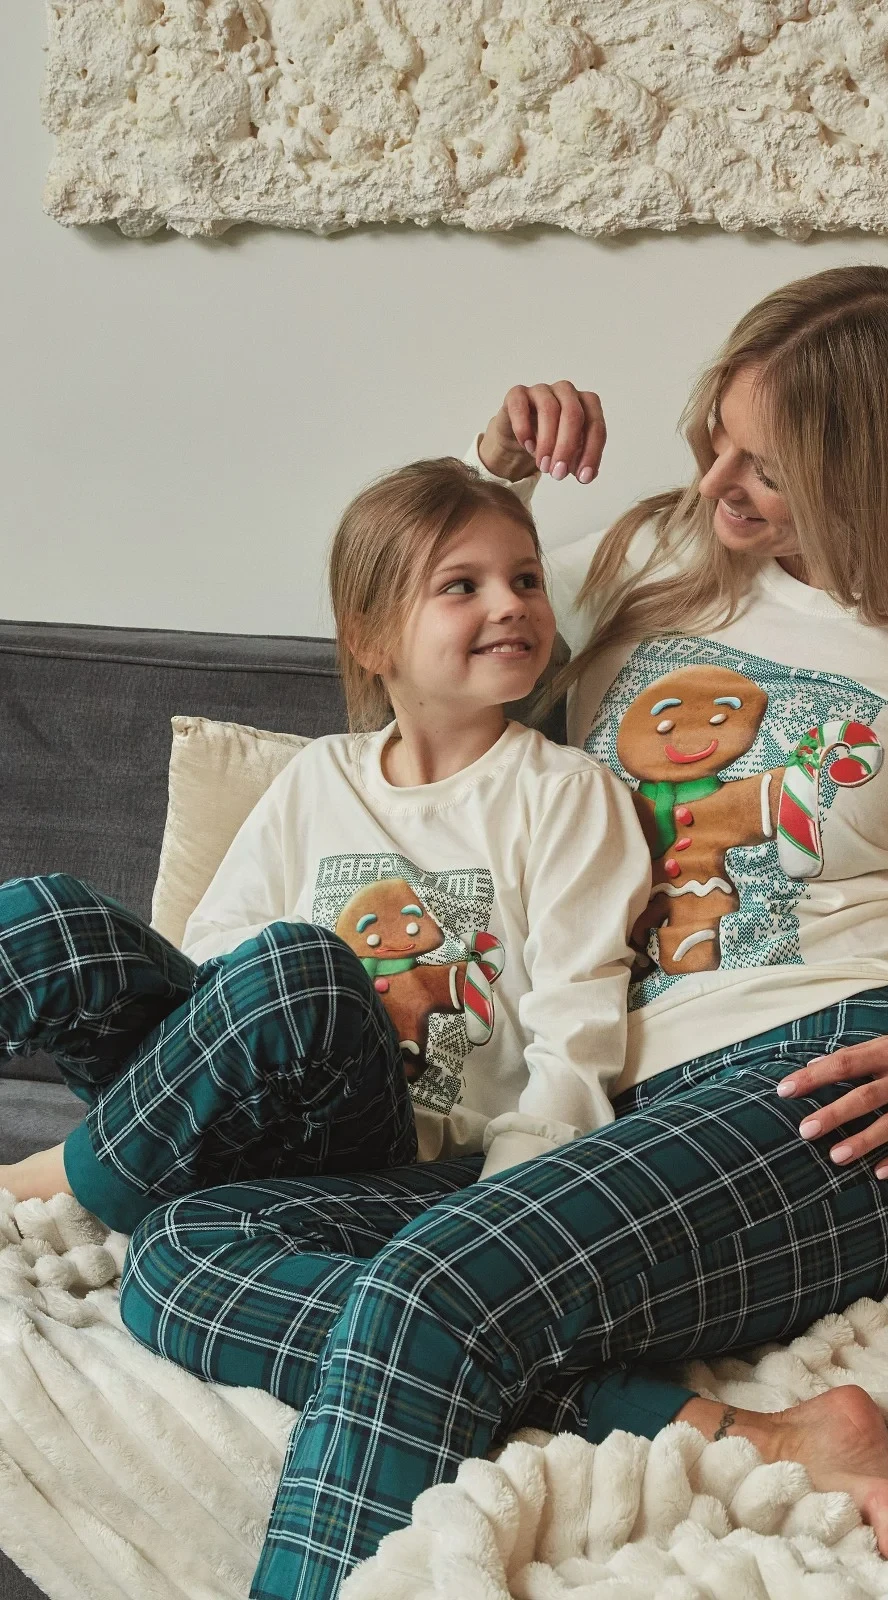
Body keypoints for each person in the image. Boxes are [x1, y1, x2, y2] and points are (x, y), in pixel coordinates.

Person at [117, 266, 888, 1600]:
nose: (715, 485)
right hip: (599, 1113)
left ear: (874, 475)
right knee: (184, 1251)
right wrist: (492, 466)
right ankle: (759, 1435)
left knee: (428, 1293)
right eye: (714, 439)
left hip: (845, 1087)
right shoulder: (653, 561)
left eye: (766, 470)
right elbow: (429, 628)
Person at [0, 457, 650, 1227]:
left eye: (527, 580)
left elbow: (577, 1023)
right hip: (237, 1094)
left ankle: (54, 1180)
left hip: (386, 1145)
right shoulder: (320, 773)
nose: (511, 604)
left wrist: (507, 1202)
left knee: (304, 972)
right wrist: (219, 1046)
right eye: (462, 586)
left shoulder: (567, 793)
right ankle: (148, 1144)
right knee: (43, 916)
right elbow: (212, 949)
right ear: (371, 639)